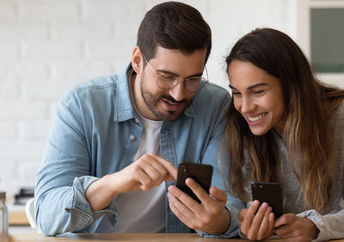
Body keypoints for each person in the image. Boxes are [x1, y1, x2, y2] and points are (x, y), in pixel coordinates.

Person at [35, 1, 237, 237]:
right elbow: (46, 214)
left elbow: (231, 204)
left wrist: (219, 222)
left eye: (192, 79)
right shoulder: (82, 106)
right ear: (138, 60)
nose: (179, 93)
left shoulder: (216, 106)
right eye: (166, 76)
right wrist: (111, 184)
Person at [223, 28, 344, 241]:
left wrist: (317, 227)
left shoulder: (340, 118)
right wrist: (249, 226)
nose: (245, 107)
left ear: (291, 85)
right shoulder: (240, 128)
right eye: (236, 93)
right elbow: (243, 208)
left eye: (258, 91)